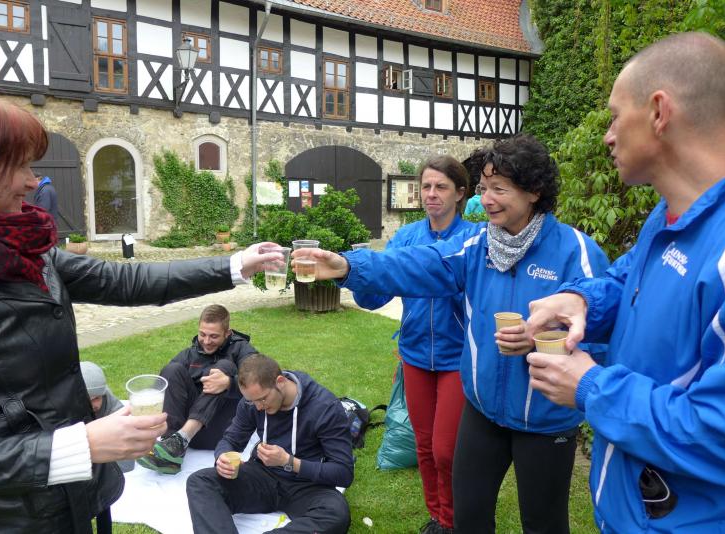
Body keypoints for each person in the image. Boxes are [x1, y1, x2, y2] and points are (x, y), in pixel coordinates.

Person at [0, 83, 282, 532]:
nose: (32, 181)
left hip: (67, 498)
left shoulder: (27, 250)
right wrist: (78, 446)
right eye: (18, 166)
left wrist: (233, 265)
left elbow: (124, 281)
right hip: (3, 520)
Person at [294, 133, 610, 533]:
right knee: (468, 517)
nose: (487, 200)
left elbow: (599, 333)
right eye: (483, 188)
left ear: (534, 191)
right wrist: (348, 266)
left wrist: (544, 340)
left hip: (545, 418)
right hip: (483, 411)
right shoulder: (478, 245)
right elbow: (417, 264)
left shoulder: (576, 251)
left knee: (543, 524)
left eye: (499, 189)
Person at [525, 32, 725, 533]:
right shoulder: (669, 215)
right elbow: (629, 279)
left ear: (659, 112)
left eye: (615, 116)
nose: (607, 136)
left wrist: (591, 388)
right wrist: (582, 300)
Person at [353, 154, 473, 533]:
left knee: (445, 449)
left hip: (457, 359)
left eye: (441, 187)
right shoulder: (406, 238)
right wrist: (359, 275)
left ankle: (452, 520)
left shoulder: (473, 239)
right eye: (426, 186)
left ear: (460, 194)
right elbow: (375, 296)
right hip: (416, 355)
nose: (431, 194)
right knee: (423, 444)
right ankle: (436, 517)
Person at [186, 353, 353, 534]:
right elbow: (231, 439)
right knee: (200, 482)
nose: (258, 407)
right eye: (252, 401)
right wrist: (222, 456)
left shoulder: (325, 407)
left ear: (280, 382)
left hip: (307, 485)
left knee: (336, 514)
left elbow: (343, 473)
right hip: (263, 476)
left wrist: (289, 462)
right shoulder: (252, 402)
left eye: (262, 399)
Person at [138, 304, 258, 474]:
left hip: (223, 431)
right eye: (202, 334)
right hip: (190, 434)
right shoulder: (190, 354)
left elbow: (261, 383)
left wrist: (229, 383)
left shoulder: (242, 349)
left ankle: (180, 440)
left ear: (228, 333)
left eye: (214, 336)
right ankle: (171, 450)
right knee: (172, 369)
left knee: (225, 367)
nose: (206, 341)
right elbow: (162, 386)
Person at [80, 361, 134, 534]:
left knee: (104, 497)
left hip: (102, 458)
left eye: (97, 398)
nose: (94, 404)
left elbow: (127, 458)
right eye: (88, 400)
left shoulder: (112, 406)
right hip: (78, 455)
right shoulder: (66, 406)